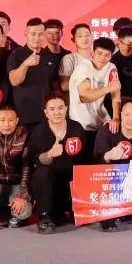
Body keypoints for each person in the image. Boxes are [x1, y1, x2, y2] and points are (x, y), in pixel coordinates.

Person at [27, 94, 87, 233]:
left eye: (60, 108)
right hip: (49, 183)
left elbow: (85, 155)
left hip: (71, 181)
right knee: (41, 174)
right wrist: (49, 154)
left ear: (66, 109)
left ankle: (71, 209)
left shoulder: (76, 128)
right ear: (46, 112)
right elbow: (33, 159)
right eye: (52, 109)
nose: (57, 112)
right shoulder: (39, 131)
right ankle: (45, 216)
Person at [94, 100, 132, 232]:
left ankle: (130, 210)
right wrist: (108, 155)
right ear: (121, 114)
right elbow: (95, 162)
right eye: (127, 115)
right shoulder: (107, 130)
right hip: (109, 180)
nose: (130, 119)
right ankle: (108, 216)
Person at [69, 37, 122, 162]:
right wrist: (108, 88)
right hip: (80, 122)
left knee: (100, 160)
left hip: (99, 121)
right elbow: (85, 96)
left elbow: (116, 95)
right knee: (82, 161)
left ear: (111, 56)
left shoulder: (111, 67)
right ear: (92, 53)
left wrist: (116, 117)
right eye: (99, 53)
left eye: (107, 55)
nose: (102, 58)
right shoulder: (83, 67)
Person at [7, 18, 60, 132]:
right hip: (23, 116)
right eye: (33, 34)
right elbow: (14, 81)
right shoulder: (16, 54)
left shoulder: (50, 56)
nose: (37, 37)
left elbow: (55, 86)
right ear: (26, 34)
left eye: (40, 34)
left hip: (46, 116)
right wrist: (26, 64)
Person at [60, 23, 93, 93]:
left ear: (92, 37)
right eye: (80, 36)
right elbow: (65, 85)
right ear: (73, 40)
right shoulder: (69, 59)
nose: (84, 38)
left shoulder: (99, 58)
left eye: (87, 35)